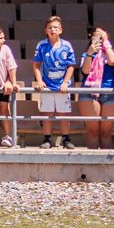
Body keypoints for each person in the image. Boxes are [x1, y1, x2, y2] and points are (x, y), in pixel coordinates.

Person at [32, 15, 77, 150]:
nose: (53, 30)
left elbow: (71, 66)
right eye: (50, 27)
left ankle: (66, 139)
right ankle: (47, 138)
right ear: (46, 30)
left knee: (64, 113)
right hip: (47, 86)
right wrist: (39, 81)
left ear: (61, 30)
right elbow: (36, 65)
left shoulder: (66, 45)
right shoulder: (41, 45)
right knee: (47, 113)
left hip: (62, 87)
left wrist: (65, 82)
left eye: (56, 27)